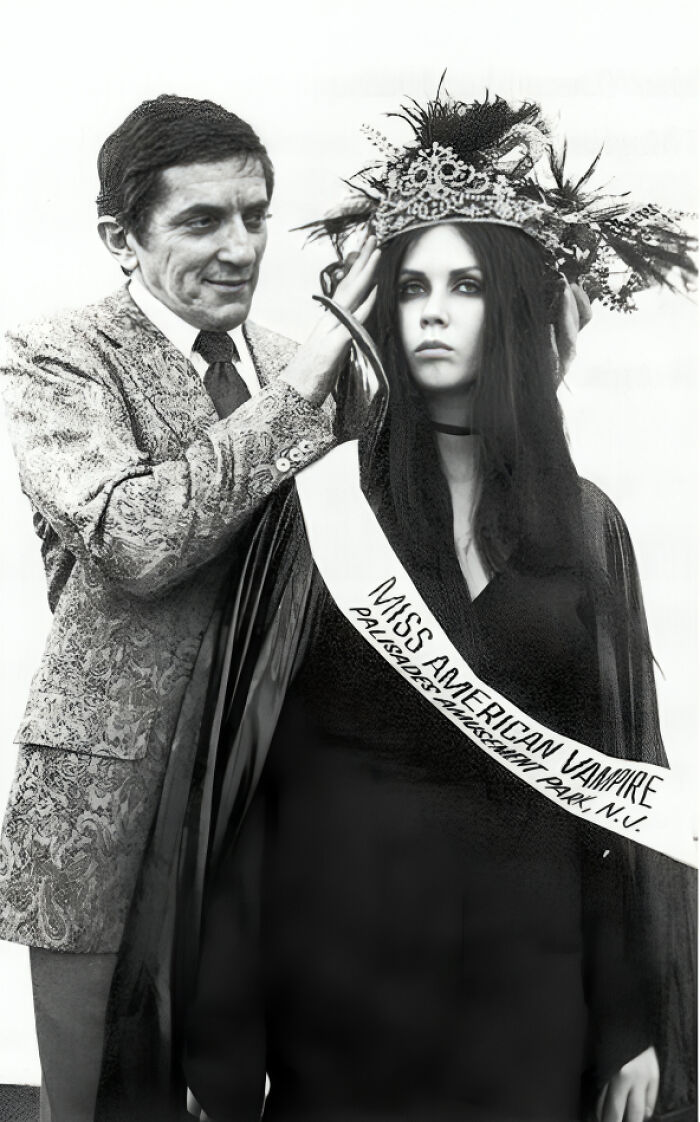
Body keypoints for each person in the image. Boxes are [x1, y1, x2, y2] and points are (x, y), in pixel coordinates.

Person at [174, 91, 697, 1122]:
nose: (432, 311)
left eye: (465, 285)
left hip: (526, 984)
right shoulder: (318, 507)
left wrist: (629, 1017)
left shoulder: (587, 527)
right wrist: (222, 1032)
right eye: (409, 285)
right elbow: (253, 789)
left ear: (514, 309)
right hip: (337, 976)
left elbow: (612, 791)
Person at [0, 92, 380, 1122]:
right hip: (110, 802)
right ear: (120, 239)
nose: (240, 246)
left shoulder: (317, 360)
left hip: (277, 794)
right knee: (94, 1105)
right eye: (201, 221)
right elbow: (136, 540)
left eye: (255, 215)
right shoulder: (56, 355)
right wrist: (304, 386)